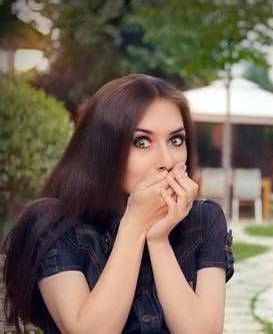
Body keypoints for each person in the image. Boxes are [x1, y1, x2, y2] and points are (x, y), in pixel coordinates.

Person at [3, 74, 234, 333]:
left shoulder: (205, 220)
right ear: (103, 149)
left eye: (175, 140)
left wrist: (158, 241)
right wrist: (134, 226)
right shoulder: (54, 224)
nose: (167, 160)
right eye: (142, 142)